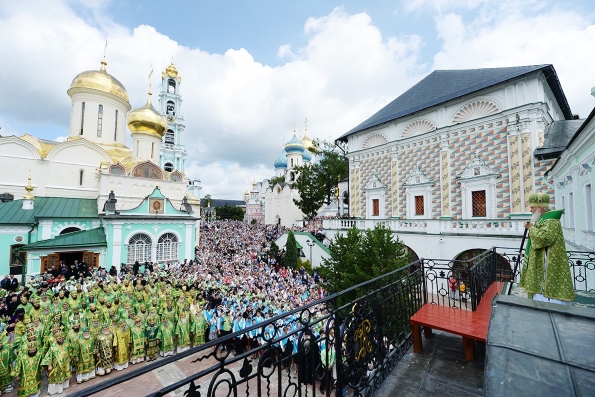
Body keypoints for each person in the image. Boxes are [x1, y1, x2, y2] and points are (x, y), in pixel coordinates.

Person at [520, 193, 575, 304]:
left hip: (547, 263)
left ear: (541, 209)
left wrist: (531, 228)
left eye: (532, 207)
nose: (530, 210)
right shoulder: (543, 220)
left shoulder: (551, 221)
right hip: (541, 260)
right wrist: (532, 231)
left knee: (548, 299)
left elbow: (545, 239)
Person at [42, 330, 71, 395]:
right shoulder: (53, 347)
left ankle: (64, 386)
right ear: (56, 339)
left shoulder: (66, 343)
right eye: (59, 338)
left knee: (65, 376)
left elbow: (70, 350)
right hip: (56, 366)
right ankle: (56, 390)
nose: (61, 339)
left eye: (62, 338)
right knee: (55, 379)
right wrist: (49, 365)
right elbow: (48, 357)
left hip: (66, 363)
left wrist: (70, 357)